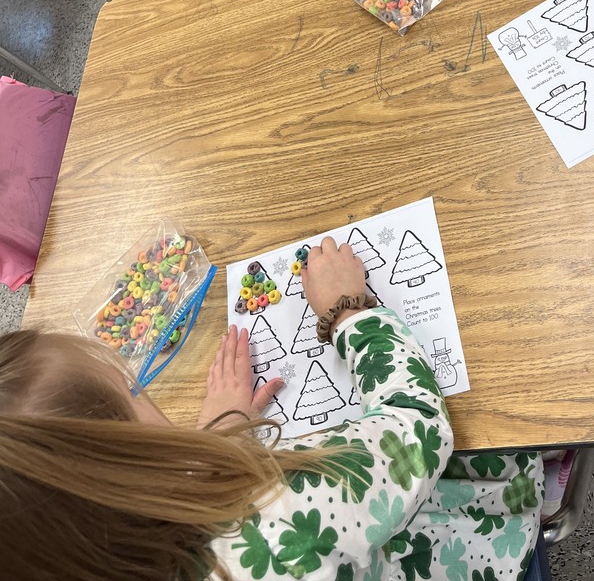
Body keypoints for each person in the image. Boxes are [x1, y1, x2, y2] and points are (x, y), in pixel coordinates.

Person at [0, 237, 544, 581]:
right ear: (135, 462)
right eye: (133, 391)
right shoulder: (276, 517)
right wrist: (347, 312)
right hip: (468, 547)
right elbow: (416, 425)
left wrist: (218, 443)